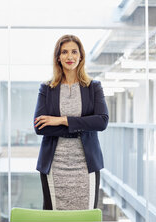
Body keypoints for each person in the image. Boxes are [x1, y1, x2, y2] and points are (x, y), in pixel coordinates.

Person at [33, 34, 109, 210]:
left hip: (86, 165)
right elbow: (40, 127)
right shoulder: (46, 88)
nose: (69, 56)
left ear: (81, 56)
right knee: (54, 220)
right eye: (64, 52)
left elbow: (102, 121)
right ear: (58, 57)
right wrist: (82, 125)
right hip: (54, 166)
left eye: (74, 51)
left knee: (86, 219)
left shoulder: (93, 87)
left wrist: (60, 120)